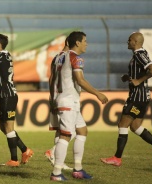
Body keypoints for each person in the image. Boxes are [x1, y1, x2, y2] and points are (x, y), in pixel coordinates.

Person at [100, 32, 152, 167]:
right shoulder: (140, 54)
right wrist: (130, 78)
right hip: (143, 96)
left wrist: (138, 80)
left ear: (136, 42)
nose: (127, 41)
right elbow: (142, 72)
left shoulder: (139, 55)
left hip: (137, 96)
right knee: (135, 127)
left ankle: (117, 158)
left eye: (129, 39)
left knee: (122, 125)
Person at [49, 31, 108, 181]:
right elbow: (80, 80)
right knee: (65, 135)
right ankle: (56, 173)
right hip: (68, 101)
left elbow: (51, 80)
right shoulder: (76, 57)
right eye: (85, 41)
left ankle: (78, 169)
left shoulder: (57, 57)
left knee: (82, 131)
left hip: (64, 100)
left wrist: (53, 99)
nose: (86, 44)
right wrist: (97, 93)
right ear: (77, 43)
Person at [0, 33, 33, 167]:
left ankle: (14, 160)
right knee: (3, 127)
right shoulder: (3, 56)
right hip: (4, 96)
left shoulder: (1, 55)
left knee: (8, 127)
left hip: (8, 96)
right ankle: (25, 150)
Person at [45, 37, 75, 170]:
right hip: (66, 98)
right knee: (74, 130)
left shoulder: (56, 57)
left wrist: (52, 96)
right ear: (69, 43)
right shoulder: (70, 57)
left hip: (56, 97)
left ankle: (59, 161)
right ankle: (53, 151)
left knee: (60, 131)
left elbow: (51, 78)